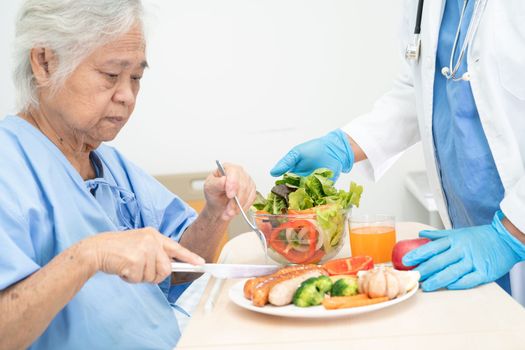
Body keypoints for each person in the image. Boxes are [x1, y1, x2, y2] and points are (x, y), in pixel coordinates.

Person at [0, 0, 256, 349]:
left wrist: (214, 214)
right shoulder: (9, 168)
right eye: (110, 75)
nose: (128, 96)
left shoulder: (111, 166)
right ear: (44, 62)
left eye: (136, 77)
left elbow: (181, 273)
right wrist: (88, 256)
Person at [271, 0, 525, 295]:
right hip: (469, 236)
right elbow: (422, 88)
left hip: (507, 232)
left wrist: (510, 235)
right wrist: (346, 145)